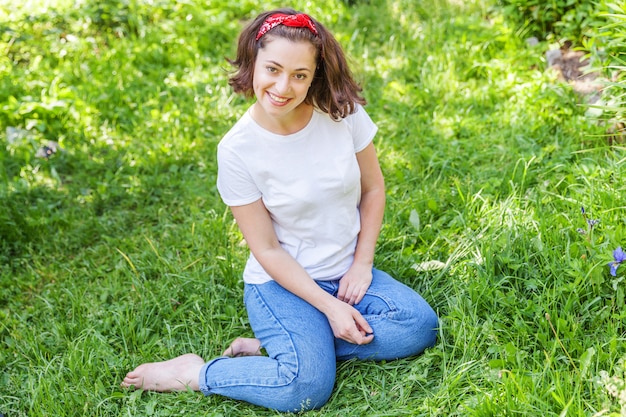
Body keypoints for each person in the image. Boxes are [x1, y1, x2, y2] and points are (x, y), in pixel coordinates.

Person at [121, 8, 438, 412]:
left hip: (346, 273)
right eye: (272, 69)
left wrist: (362, 263)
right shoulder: (237, 150)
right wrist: (330, 308)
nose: (283, 87)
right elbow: (267, 250)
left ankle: (292, 346)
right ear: (254, 61)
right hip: (283, 285)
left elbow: (373, 189)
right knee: (304, 387)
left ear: (315, 74)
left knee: (419, 325)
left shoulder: (343, 114)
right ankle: (195, 373)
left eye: (299, 75)